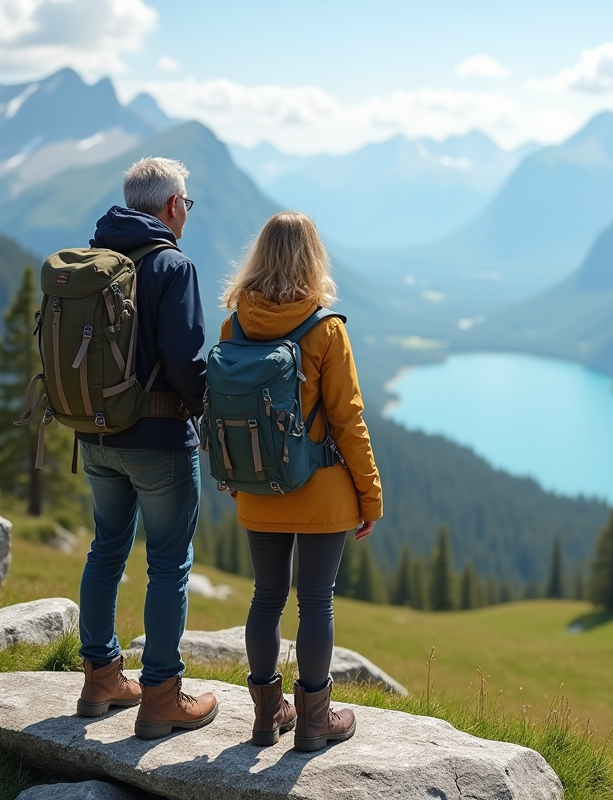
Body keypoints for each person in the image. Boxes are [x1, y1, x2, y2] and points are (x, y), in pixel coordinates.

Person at [218, 211, 382, 750]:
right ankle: (314, 721)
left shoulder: (234, 326)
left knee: (266, 597)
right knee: (315, 601)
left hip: (257, 485)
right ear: (313, 259)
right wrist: (370, 498)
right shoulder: (326, 330)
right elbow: (348, 421)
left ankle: (267, 716)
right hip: (321, 489)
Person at [74, 157, 219, 740]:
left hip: (95, 435)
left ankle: (101, 678)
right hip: (159, 441)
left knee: (106, 549)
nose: (186, 212)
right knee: (168, 563)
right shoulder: (171, 265)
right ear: (171, 205)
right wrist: (202, 408)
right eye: (186, 203)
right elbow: (185, 359)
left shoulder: (94, 258)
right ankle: (161, 696)